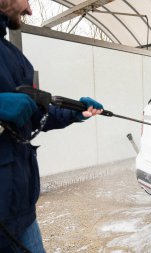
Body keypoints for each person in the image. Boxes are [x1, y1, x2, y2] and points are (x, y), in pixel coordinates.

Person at [0, 0, 103, 252]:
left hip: (21, 210)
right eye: (26, 0)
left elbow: (35, 115)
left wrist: (75, 112)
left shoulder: (14, 56)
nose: (30, 10)